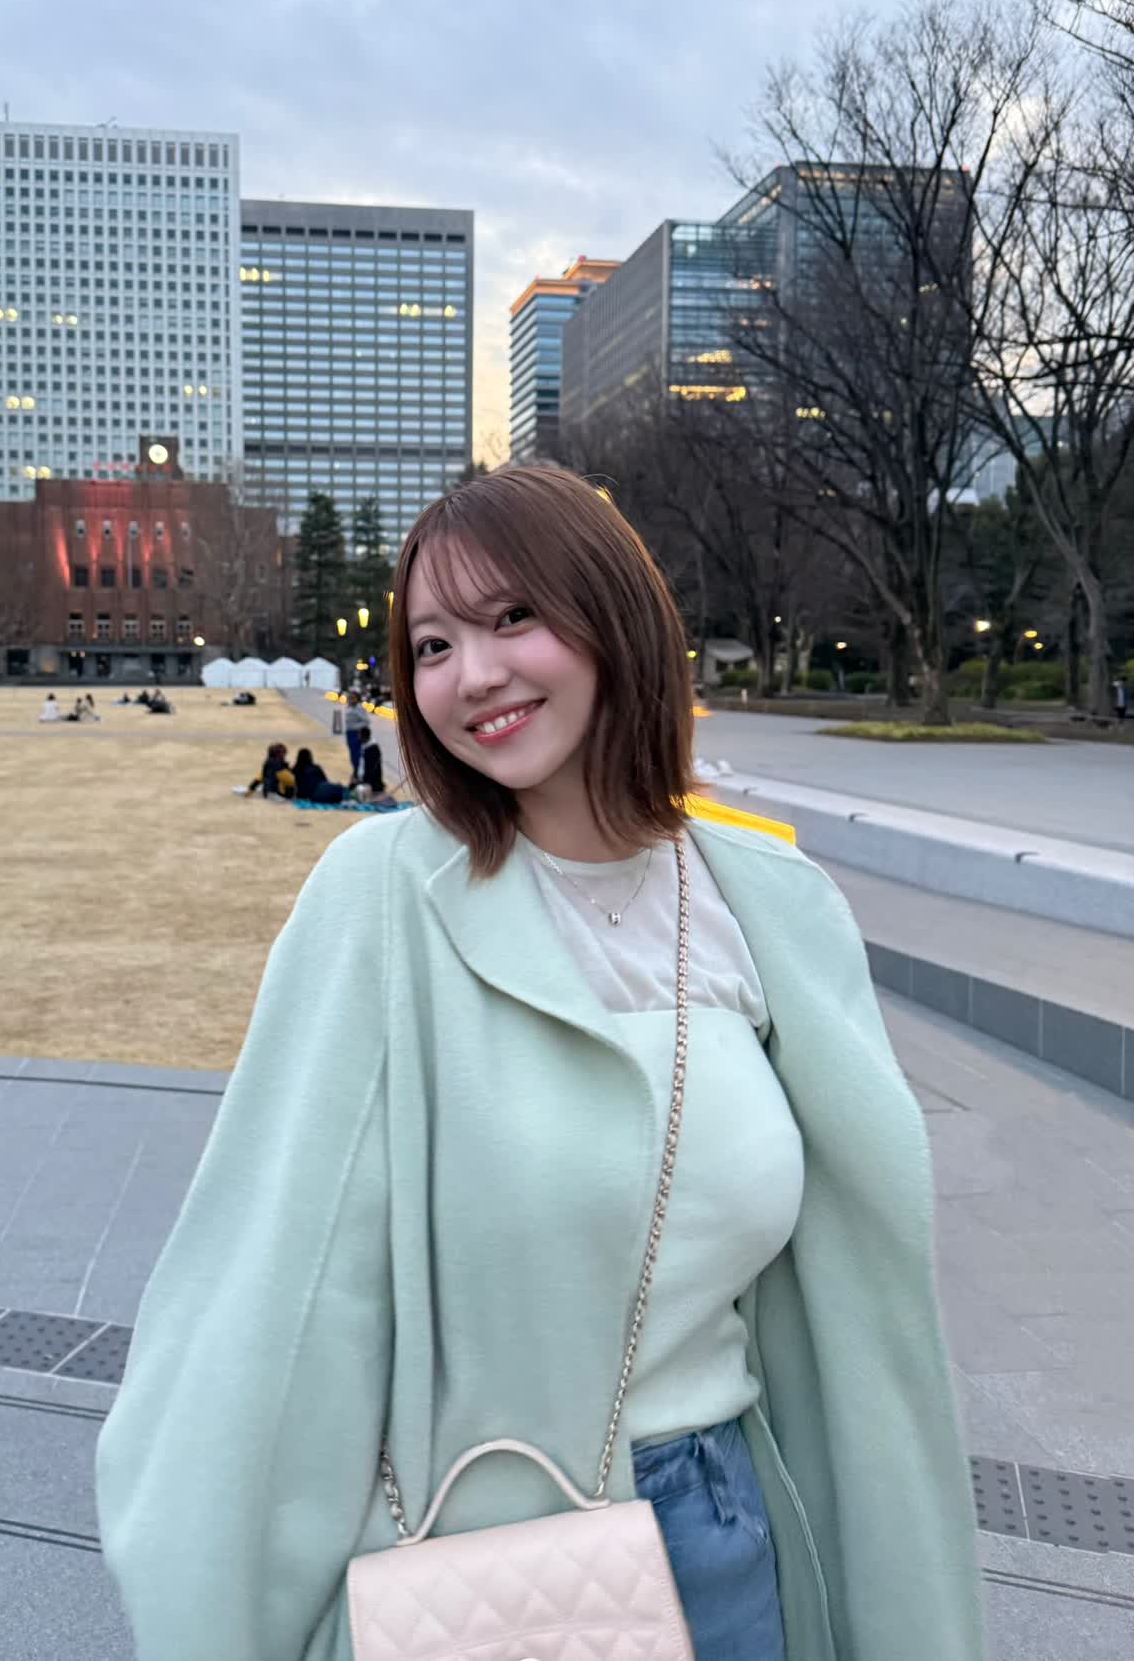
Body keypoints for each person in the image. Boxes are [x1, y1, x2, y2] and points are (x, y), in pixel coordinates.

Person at [95, 463, 986, 1661]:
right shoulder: (381, 897)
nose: (472, 675)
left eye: (513, 617)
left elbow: (864, 1318)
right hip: (486, 1566)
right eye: (432, 644)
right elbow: (274, 1298)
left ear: (616, 617)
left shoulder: (768, 904)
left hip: (734, 1537)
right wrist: (234, 1617)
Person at [342, 687, 367, 785]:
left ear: (357, 698)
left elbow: (366, 721)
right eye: (349, 697)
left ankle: (358, 774)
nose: (350, 699)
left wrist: (355, 727)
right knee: (352, 755)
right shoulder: (349, 707)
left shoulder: (359, 708)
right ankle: (356, 772)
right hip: (349, 734)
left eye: (352, 698)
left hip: (356, 734)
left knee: (356, 756)